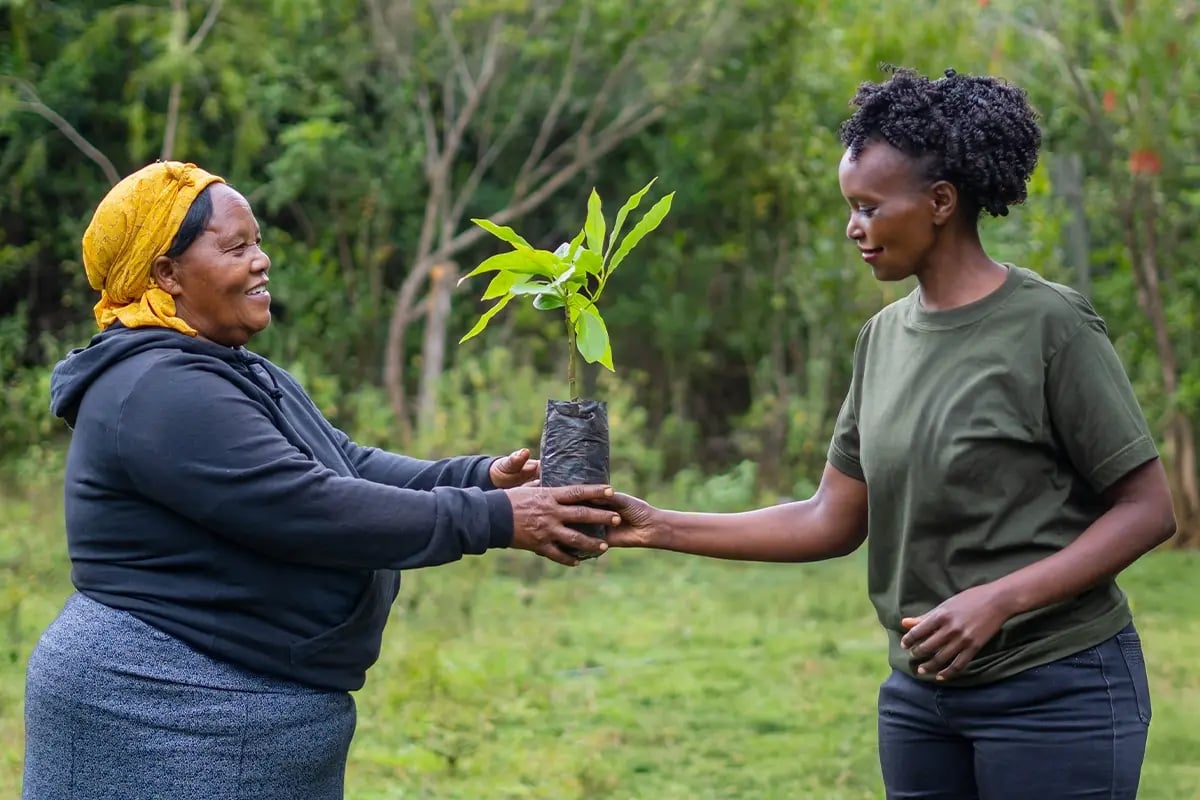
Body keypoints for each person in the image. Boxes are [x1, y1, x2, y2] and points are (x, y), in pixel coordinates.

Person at [605, 68, 1176, 799]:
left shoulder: (1050, 328)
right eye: (850, 208)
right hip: (920, 702)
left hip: (1054, 690)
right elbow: (829, 517)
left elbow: (1147, 509)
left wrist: (998, 600)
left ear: (940, 203)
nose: (853, 228)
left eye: (869, 207)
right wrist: (658, 526)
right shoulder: (881, 340)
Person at [23, 160, 617, 800]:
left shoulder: (235, 370)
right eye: (237, 246)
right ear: (166, 274)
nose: (262, 261)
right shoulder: (158, 389)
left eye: (258, 242)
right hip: (164, 709)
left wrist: (482, 478)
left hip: (226, 714)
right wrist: (499, 519)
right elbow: (308, 506)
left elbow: (344, 462)